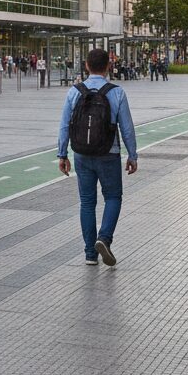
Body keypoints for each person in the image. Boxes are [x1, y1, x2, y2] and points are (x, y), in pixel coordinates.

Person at [57, 48, 139, 267]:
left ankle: (90, 254)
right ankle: (104, 238)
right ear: (108, 66)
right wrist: (132, 155)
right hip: (108, 153)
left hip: (81, 153)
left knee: (87, 202)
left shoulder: (75, 91)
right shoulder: (117, 92)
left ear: (86, 66)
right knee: (113, 197)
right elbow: (127, 127)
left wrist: (62, 154)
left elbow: (65, 125)